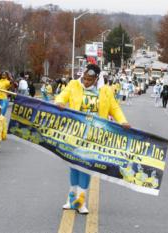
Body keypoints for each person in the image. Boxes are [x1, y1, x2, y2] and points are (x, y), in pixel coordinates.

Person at [55, 64, 130, 214]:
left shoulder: (105, 91)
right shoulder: (74, 84)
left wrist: (123, 121)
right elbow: (62, 96)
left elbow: (114, 108)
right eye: (85, 78)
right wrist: (60, 102)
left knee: (86, 166)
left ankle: (81, 201)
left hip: (94, 136)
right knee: (74, 165)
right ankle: (71, 199)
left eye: (90, 79)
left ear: (96, 79)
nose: (86, 82)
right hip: (75, 134)